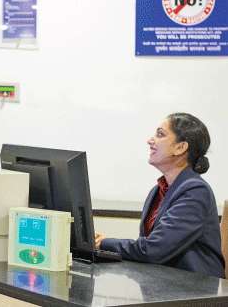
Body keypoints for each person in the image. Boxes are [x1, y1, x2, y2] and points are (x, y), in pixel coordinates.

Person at [95, 113, 225, 278]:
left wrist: (104, 243)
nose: (150, 140)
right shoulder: (158, 190)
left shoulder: (196, 191)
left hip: (195, 289)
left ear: (180, 147)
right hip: (164, 282)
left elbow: (153, 250)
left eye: (160, 134)